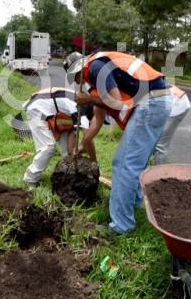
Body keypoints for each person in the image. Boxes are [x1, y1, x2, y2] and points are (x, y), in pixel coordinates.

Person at [68, 52, 172, 235]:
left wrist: (87, 99)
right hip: (158, 102)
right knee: (135, 164)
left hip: (151, 103)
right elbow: (97, 121)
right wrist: (84, 143)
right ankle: (135, 206)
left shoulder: (94, 68)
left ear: (78, 70)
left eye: (76, 78)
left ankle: (121, 226)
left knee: (124, 164)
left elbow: (115, 101)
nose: (80, 83)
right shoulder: (99, 76)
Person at [22, 87, 93, 187]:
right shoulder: (81, 109)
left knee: (67, 151)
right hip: (37, 108)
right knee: (48, 147)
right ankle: (30, 179)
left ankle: (68, 173)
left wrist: (73, 152)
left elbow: (73, 133)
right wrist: (94, 161)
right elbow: (88, 139)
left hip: (53, 110)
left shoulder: (81, 103)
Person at [153, 85, 191, 165]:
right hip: (169, 102)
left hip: (177, 104)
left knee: (160, 146)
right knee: (154, 140)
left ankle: (159, 175)